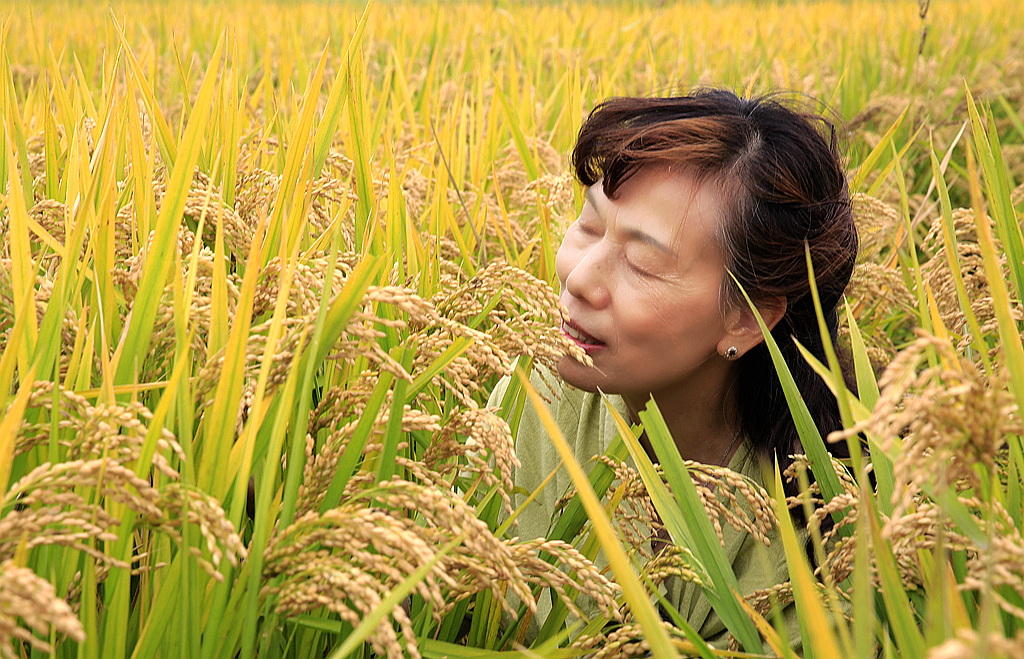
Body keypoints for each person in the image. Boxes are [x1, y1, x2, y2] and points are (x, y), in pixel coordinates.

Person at [487, 88, 858, 649]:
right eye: (589, 227)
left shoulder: (825, 525)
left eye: (642, 262)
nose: (580, 278)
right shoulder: (527, 405)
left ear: (746, 319)